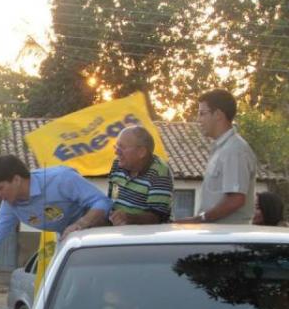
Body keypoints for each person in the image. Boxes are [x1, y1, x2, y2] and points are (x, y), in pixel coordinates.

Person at [0, 154, 112, 283]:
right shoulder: (10, 206)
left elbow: (102, 202)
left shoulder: (61, 178)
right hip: (71, 250)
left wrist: (80, 224)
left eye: (0, 188)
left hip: (102, 241)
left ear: (16, 180)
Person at [176, 89, 257, 224]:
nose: (198, 120)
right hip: (217, 235)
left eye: (202, 114)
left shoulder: (234, 150)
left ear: (218, 115)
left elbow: (235, 199)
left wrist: (200, 219)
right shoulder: (221, 148)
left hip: (229, 239)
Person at [108, 126, 174, 225]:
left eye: (122, 147)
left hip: (145, 237)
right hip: (117, 233)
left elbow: (156, 217)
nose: (116, 152)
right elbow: (114, 198)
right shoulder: (117, 165)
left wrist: (129, 218)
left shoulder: (159, 172)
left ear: (141, 152)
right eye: (116, 146)